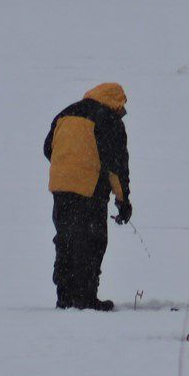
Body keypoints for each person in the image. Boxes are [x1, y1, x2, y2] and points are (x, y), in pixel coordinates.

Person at [44, 83, 132, 311]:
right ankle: (85, 299)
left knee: (65, 240)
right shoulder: (109, 120)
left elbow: (47, 148)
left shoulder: (66, 113)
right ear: (116, 102)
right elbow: (116, 168)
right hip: (89, 191)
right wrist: (123, 202)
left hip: (61, 187)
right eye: (122, 106)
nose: (122, 112)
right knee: (91, 242)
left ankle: (65, 297)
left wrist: (68, 166)